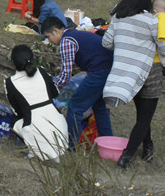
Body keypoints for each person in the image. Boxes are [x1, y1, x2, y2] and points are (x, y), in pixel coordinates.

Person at [102, 0, 165, 168]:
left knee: (142, 114)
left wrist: (125, 44)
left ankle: (148, 146)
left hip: (126, 73)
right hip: (149, 71)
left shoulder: (118, 18)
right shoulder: (151, 20)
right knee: (145, 117)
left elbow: (106, 43)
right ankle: (127, 156)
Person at [40, 16, 114, 148]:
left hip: (99, 72)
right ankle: (107, 142)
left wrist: (51, 89)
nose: (49, 41)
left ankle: (71, 145)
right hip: (108, 69)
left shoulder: (66, 41)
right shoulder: (74, 35)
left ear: (56, 31)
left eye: (48, 36)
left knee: (75, 107)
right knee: (99, 106)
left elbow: (65, 74)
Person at [4, 44, 69, 161]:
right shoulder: (42, 72)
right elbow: (56, 93)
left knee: (14, 120)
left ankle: (33, 150)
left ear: (13, 62)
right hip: (60, 128)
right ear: (33, 58)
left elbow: (17, 111)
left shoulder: (10, 83)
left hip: (36, 131)